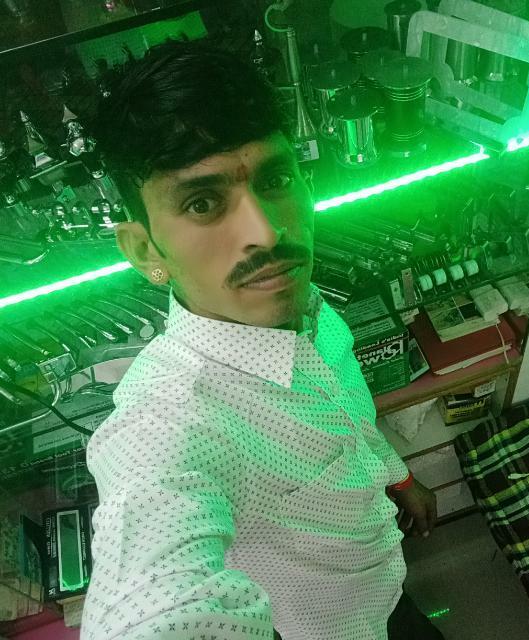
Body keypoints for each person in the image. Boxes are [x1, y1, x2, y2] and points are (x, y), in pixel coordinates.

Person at [80, 38, 444, 640]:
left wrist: (399, 480)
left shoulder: (309, 309)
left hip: (385, 586)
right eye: (203, 202)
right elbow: (154, 597)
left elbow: (348, 423)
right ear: (144, 250)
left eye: (275, 179)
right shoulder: (172, 420)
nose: (267, 233)